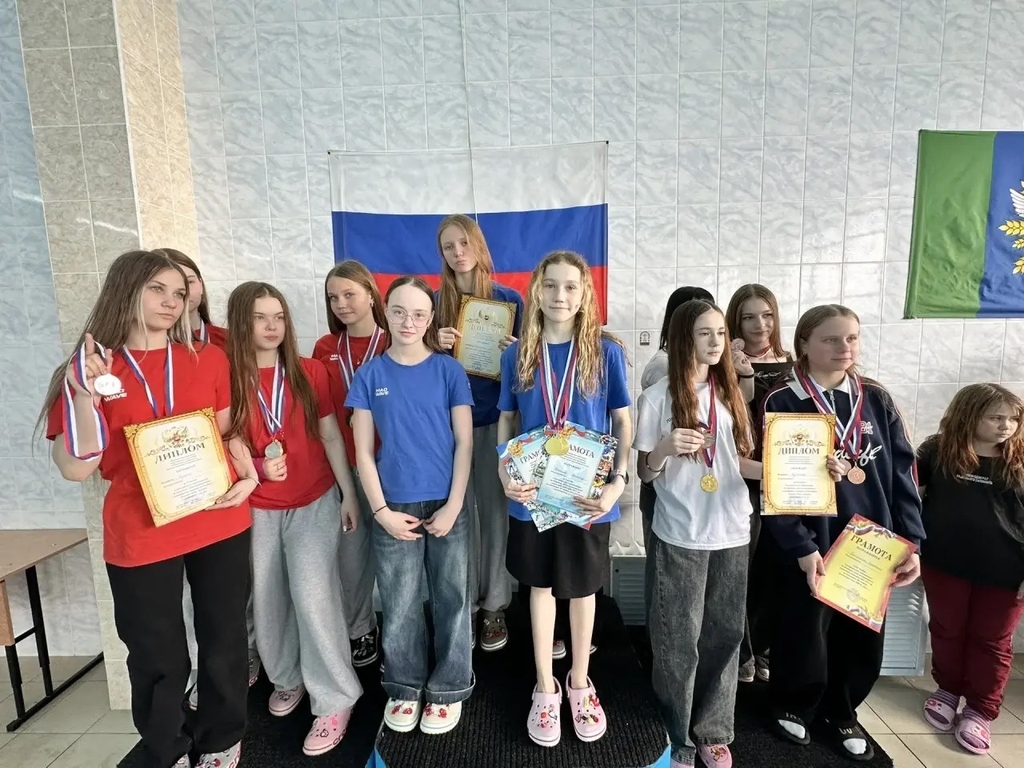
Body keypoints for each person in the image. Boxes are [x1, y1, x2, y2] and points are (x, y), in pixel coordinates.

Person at [39, 250, 256, 768]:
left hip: (218, 515)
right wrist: (84, 397)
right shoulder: (91, 371)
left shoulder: (209, 359)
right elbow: (75, 469)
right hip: (141, 530)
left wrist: (248, 474)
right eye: (157, 289)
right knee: (156, 652)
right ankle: (169, 747)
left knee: (224, 637)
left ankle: (222, 738)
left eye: (178, 293)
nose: (171, 302)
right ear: (126, 290)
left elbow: (227, 431)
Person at [762, 304, 925, 762]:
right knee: (804, 629)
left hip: (872, 543)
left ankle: (843, 711)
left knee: (861, 636)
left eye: (851, 338)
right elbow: (776, 483)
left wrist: (911, 542)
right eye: (831, 339)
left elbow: (903, 473)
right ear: (805, 343)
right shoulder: (784, 399)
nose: (844, 347)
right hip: (812, 539)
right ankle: (792, 704)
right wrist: (799, 544)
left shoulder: (876, 398)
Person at [497, 251, 632, 747]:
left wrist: (618, 481)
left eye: (570, 286)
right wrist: (504, 469)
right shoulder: (517, 354)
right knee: (538, 587)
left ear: (584, 294)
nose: (560, 295)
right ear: (536, 291)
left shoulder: (605, 352)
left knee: (582, 589)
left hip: (585, 494)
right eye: (550, 285)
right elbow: (507, 420)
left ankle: (578, 681)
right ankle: (545, 686)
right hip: (532, 492)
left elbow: (622, 421)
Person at [225, 281, 364, 757]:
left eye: (279, 317)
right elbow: (222, 441)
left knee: (313, 595)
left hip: (313, 500)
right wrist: (255, 467)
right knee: (267, 598)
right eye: (260, 318)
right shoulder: (228, 377)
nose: (271, 326)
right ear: (240, 323)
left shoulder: (310, 371)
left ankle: (335, 698)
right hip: (256, 506)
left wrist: (348, 493)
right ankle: (286, 678)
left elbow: (331, 435)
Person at [347, 276, 474, 735]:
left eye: (419, 314)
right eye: (399, 311)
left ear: (431, 318)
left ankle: (450, 687)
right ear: (385, 311)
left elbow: (464, 443)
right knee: (399, 600)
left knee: (452, 597)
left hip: (446, 501)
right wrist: (380, 512)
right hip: (393, 504)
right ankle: (404, 685)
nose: (408, 322)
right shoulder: (370, 375)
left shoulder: (448, 371)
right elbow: (363, 452)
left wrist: (454, 505)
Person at [917, 384, 1024, 756]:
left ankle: (981, 708)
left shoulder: (1020, 458)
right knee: (947, 630)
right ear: (968, 415)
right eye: (996, 417)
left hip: (1007, 573)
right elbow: (911, 495)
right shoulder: (937, 450)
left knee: (992, 641)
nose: (1006, 426)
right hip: (944, 563)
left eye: (1013, 418)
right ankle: (948, 689)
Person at [435, 214, 524, 651]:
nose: (458, 252)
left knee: (494, 516)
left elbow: (531, 369)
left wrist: (517, 352)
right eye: (448, 246)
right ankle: (463, 605)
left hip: (493, 422)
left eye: (464, 243)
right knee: (455, 519)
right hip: (446, 429)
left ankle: (495, 606)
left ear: (479, 246)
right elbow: (417, 365)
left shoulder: (510, 301)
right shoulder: (433, 305)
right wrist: (434, 346)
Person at [312, 260, 389, 668]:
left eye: (349, 294)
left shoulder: (397, 339)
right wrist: (344, 486)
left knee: (397, 555)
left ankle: (402, 628)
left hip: (392, 467)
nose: (341, 304)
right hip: (346, 467)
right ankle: (361, 628)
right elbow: (323, 417)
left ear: (371, 295)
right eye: (333, 297)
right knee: (352, 555)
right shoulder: (325, 349)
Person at [725, 284, 793, 684]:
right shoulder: (724, 362)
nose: (759, 325)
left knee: (779, 566)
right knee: (743, 568)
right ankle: (743, 650)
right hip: (743, 477)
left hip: (790, 480)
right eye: (749, 317)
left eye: (766, 315)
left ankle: (768, 647)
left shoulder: (795, 364)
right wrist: (738, 370)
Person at [639, 286, 715, 559]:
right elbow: (648, 460)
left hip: (697, 493)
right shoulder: (664, 368)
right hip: (666, 489)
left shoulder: (715, 376)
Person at [157, 248, 227, 349]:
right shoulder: (146, 344)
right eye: (159, 288)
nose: (184, 290)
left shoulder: (230, 340)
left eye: (190, 282)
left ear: (201, 284)